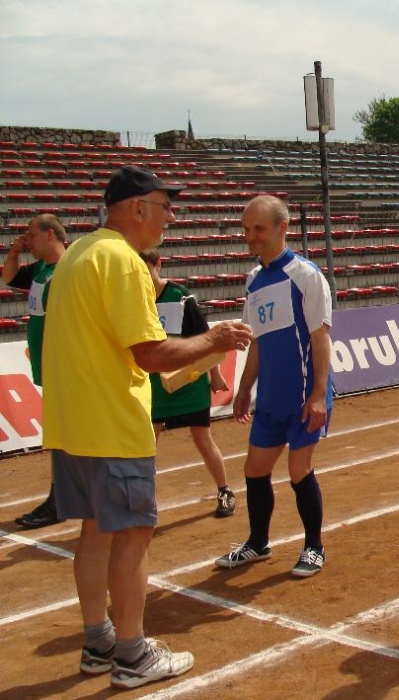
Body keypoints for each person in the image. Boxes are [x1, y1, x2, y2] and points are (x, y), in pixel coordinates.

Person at [41, 165, 254, 690]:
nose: (170, 217)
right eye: (164, 206)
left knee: (94, 532)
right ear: (137, 208)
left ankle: (98, 643)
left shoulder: (77, 254)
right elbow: (152, 353)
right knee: (133, 535)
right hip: (112, 422)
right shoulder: (123, 261)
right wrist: (216, 339)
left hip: (73, 422)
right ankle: (132, 654)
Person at [214, 194, 333, 579]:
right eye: (246, 229)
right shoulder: (253, 281)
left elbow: (320, 338)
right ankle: (258, 543)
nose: (251, 236)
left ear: (283, 228)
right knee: (255, 469)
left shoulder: (306, 275)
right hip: (270, 398)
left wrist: (318, 395)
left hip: (303, 396)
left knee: (299, 470)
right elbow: (257, 342)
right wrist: (244, 388)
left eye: (259, 229)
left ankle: (314, 547)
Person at [139, 248, 236, 518]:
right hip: (154, 386)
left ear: (158, 264)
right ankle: (144, 503)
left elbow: (206, 340)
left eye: (145, 268)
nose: (141, 275)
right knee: (147, 444)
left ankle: (224, 490)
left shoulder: (180, 297)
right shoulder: (135, 300)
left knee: (202, 437)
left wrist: (215, 375)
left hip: (190, 382)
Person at [3, 214, 67, 529]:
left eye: (31, 235)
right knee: (61, 432)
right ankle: (64, 496)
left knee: (63, 433)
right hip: (50, 366)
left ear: (50, 234)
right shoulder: (42, 269)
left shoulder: (68, 270)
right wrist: (14, 252)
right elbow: (10, 277)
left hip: (65, 366)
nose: (27, 240)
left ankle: (61, 498)